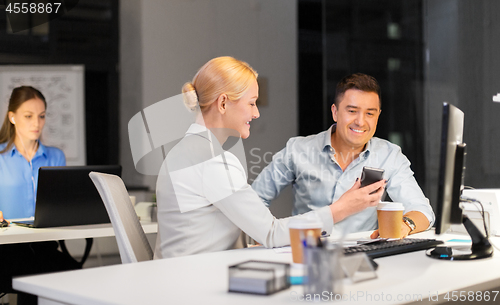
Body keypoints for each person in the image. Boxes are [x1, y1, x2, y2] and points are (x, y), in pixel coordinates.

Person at [154, 57, 387, 259]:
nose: (256, 113)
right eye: (252, 103)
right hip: (198, 285)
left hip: (181, 275)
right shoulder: (212, 160)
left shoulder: (185, 150)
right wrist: (341, 209)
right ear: (223, 103)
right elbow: (271, 233)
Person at [251, 73, 434, 238]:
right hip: (306, 251)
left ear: (378, 116)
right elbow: (254, 200)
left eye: (370, 113)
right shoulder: (298, 150)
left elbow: (422, 211)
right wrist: (263, 236)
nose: (361, 122)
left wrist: (404, 226)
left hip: (362, 257)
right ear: (335, 112)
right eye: (352, 111)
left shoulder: (389, 155)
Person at [0, 86, 80, 304]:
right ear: (12, 117)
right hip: (6, 251)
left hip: (43, 246)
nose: (36, 123)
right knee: (33, 276)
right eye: (28, 116)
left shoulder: (55, 156)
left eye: (41, 116)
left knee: (76, 274)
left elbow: (61, 206)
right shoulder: (0, 159)